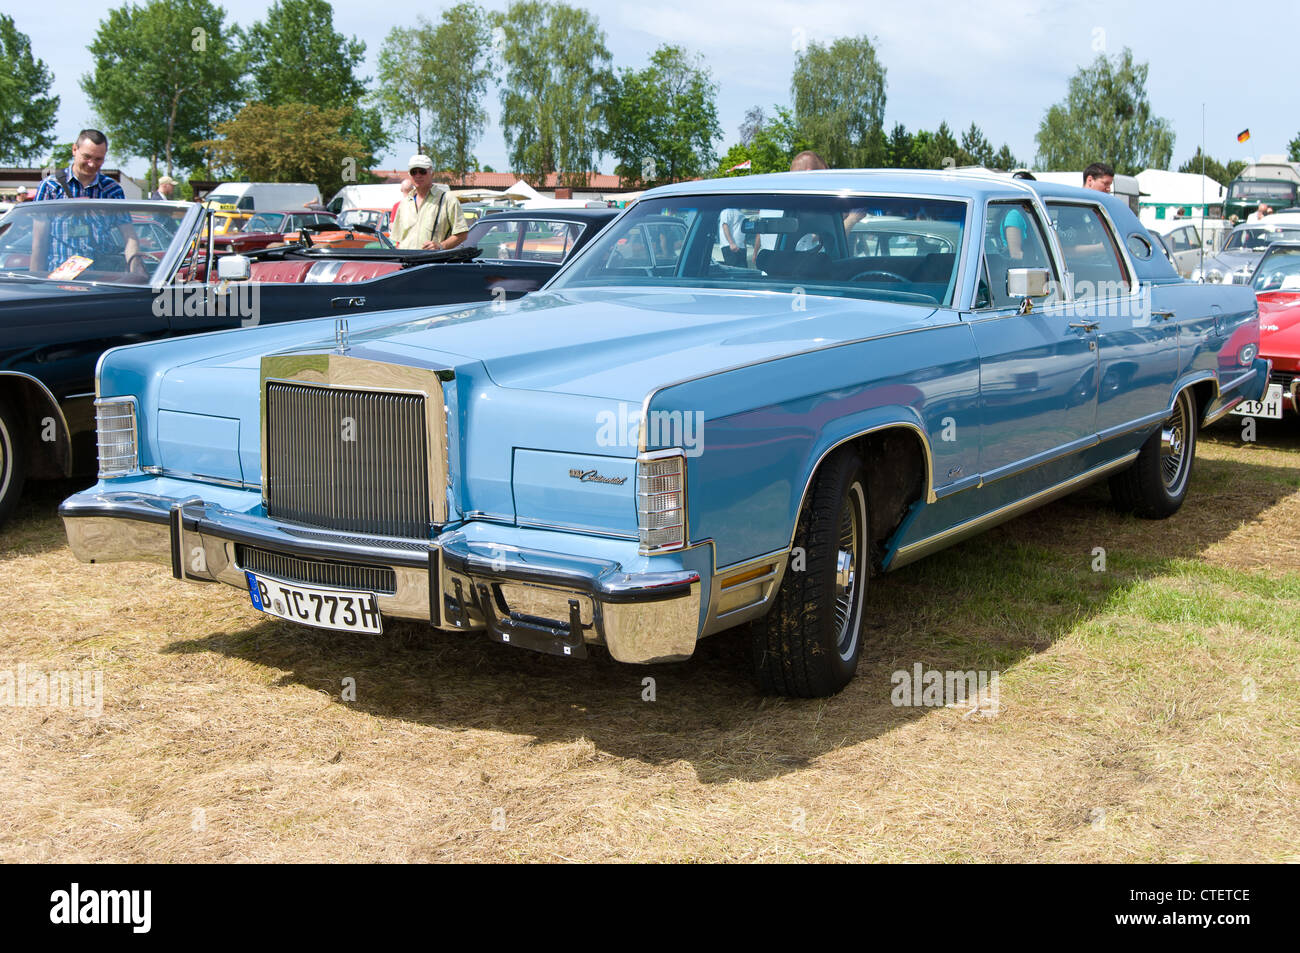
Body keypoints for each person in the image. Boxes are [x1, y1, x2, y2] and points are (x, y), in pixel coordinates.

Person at [32, 129, 143, 276]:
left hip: (102, 278)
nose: (92, 164)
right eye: (87, 157)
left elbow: (129, 236)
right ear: (74, 150)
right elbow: (39, 242)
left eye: (99, 159)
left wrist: (136, 272)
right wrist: (35, 282)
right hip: (60, 279)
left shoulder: (112, 190)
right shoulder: (50, 187)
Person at [390, 155, 468, 251]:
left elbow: (462, 235)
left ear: (432, 174)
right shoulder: (404, 203)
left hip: (432, 263)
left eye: (422, 171)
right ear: (410, 175)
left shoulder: (447, 200)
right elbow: (398, 241)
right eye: (414, 172)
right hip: (407, 263)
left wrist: (440, 246)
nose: (418, 175)